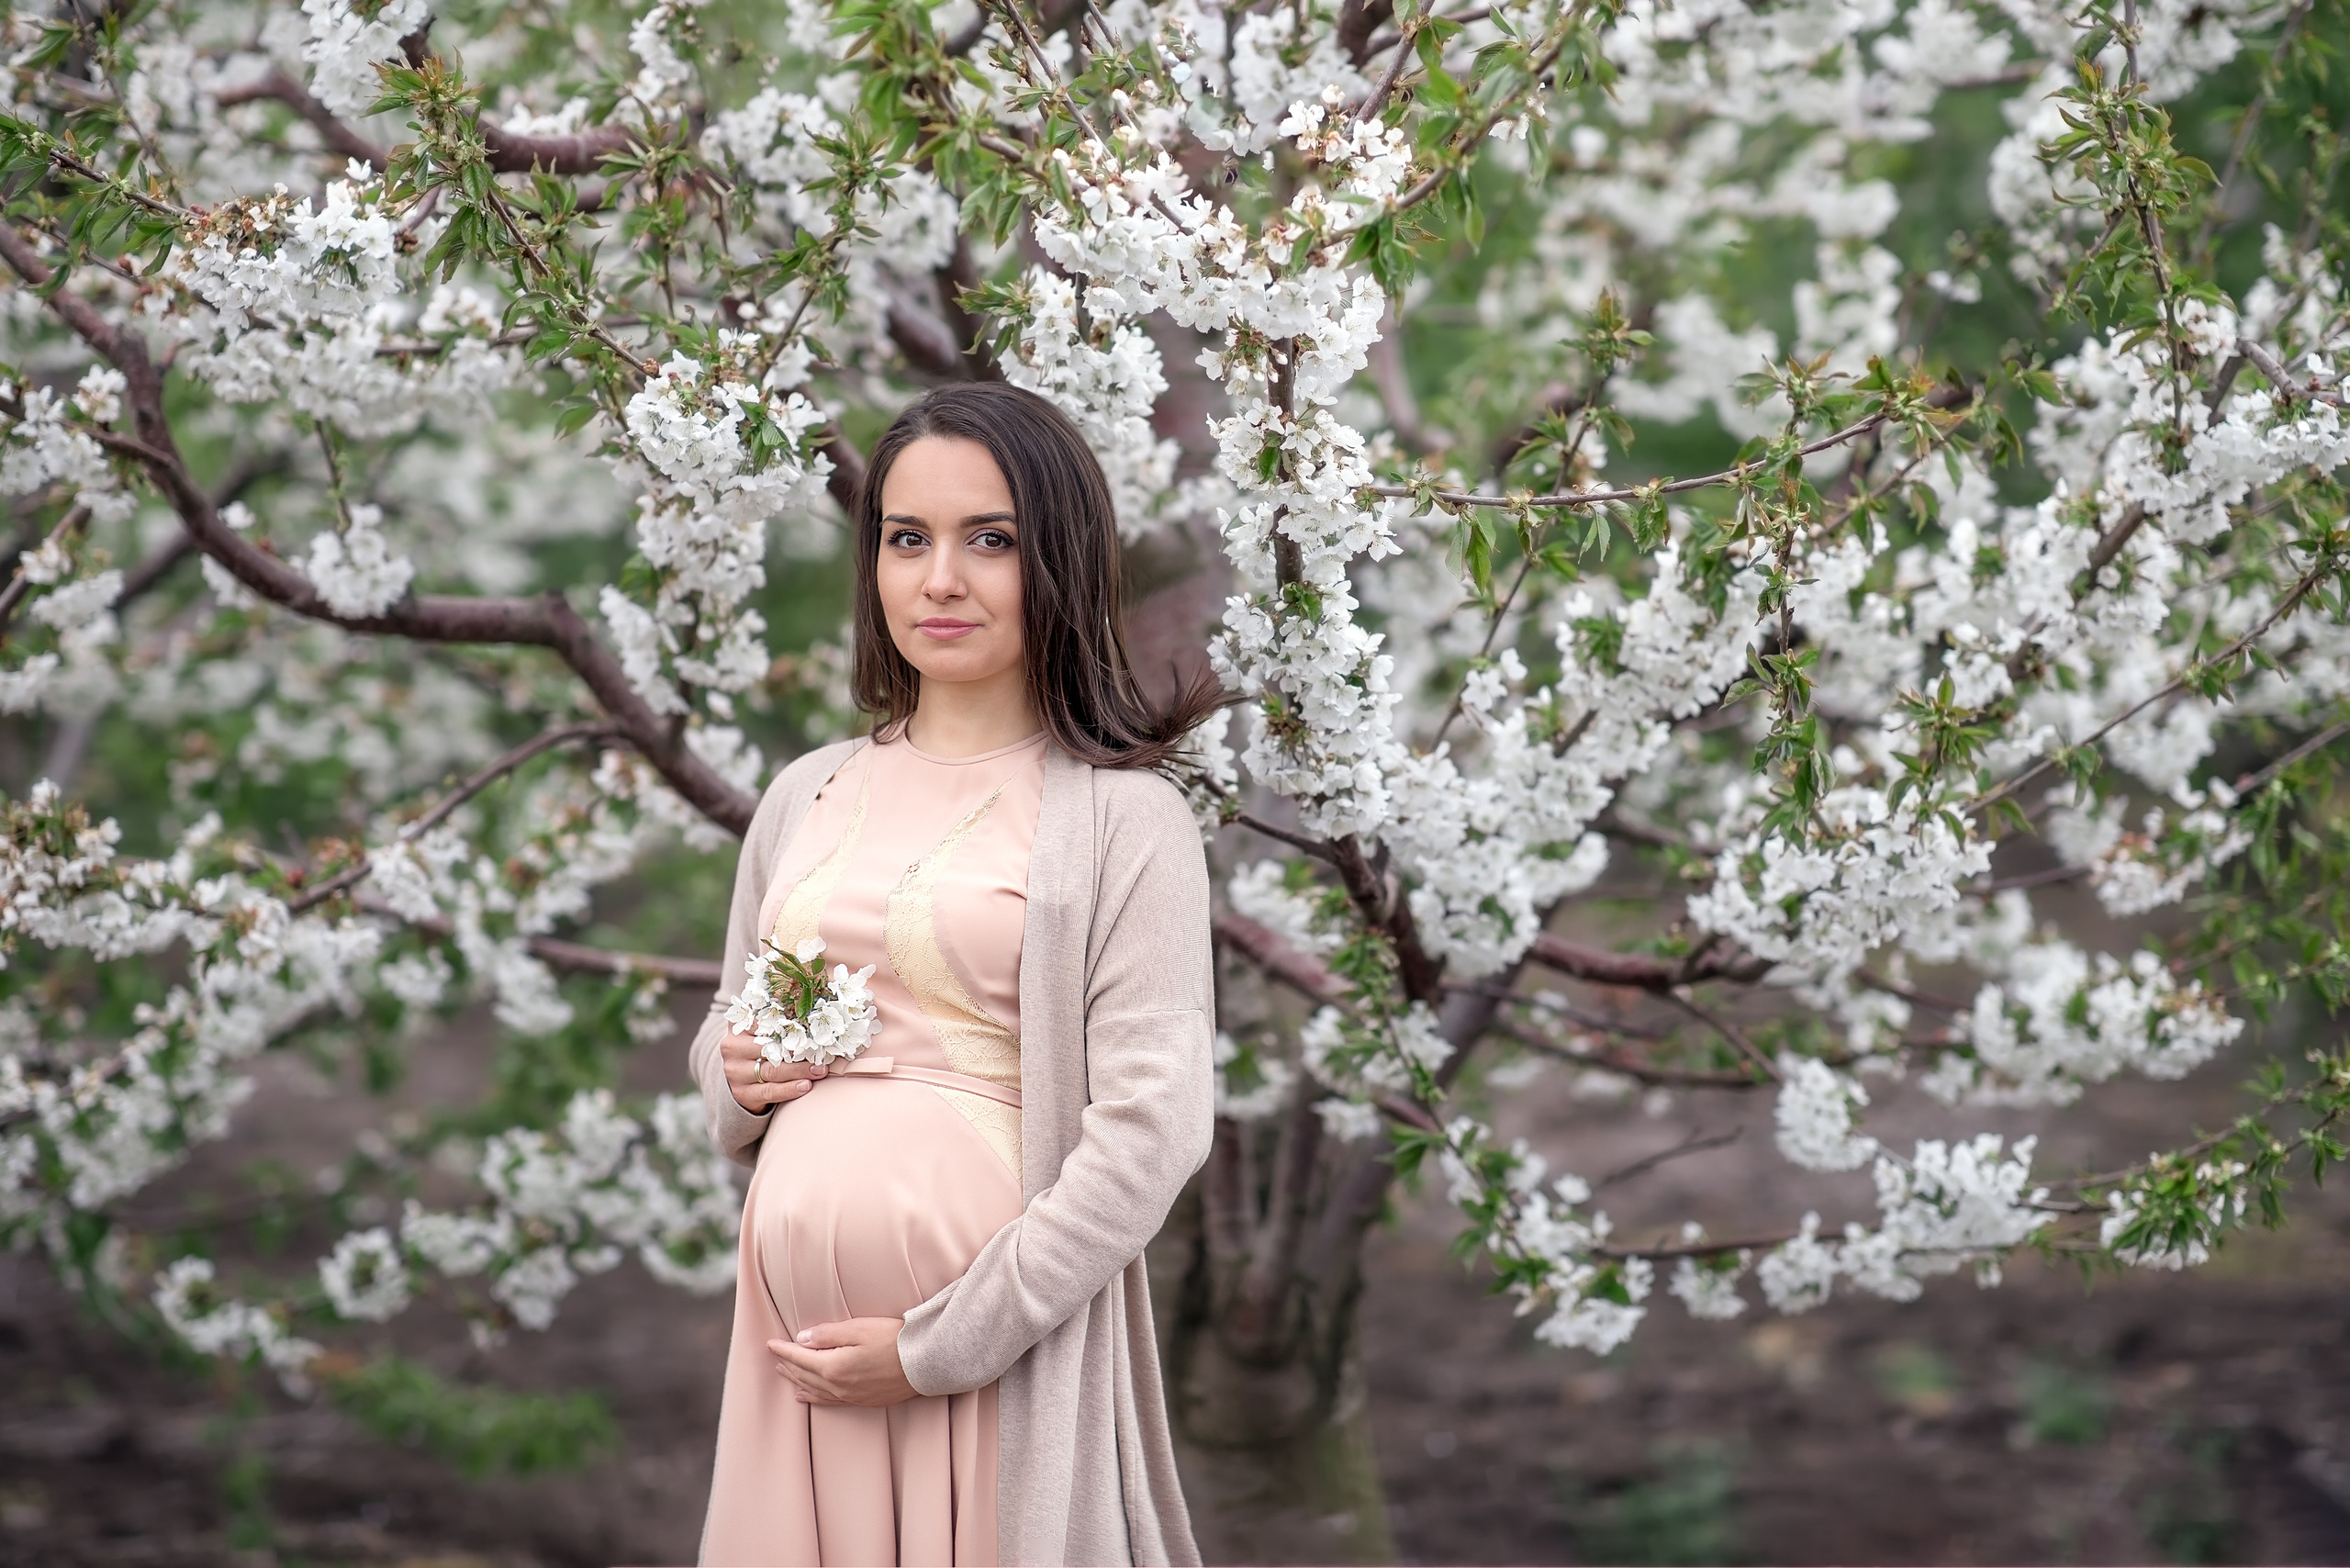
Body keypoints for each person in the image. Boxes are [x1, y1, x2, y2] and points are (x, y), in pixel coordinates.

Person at [691, 383, 1224, 1567]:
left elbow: (1156, 1128)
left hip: (989, 1372)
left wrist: (940, 1345)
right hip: (801, 1379)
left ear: (1065, 563)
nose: (942, 580)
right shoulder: (808, 792)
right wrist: (738, 1073)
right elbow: (730, 1030)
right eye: (907, 538)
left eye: (992, 541)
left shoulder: (1127, 825)